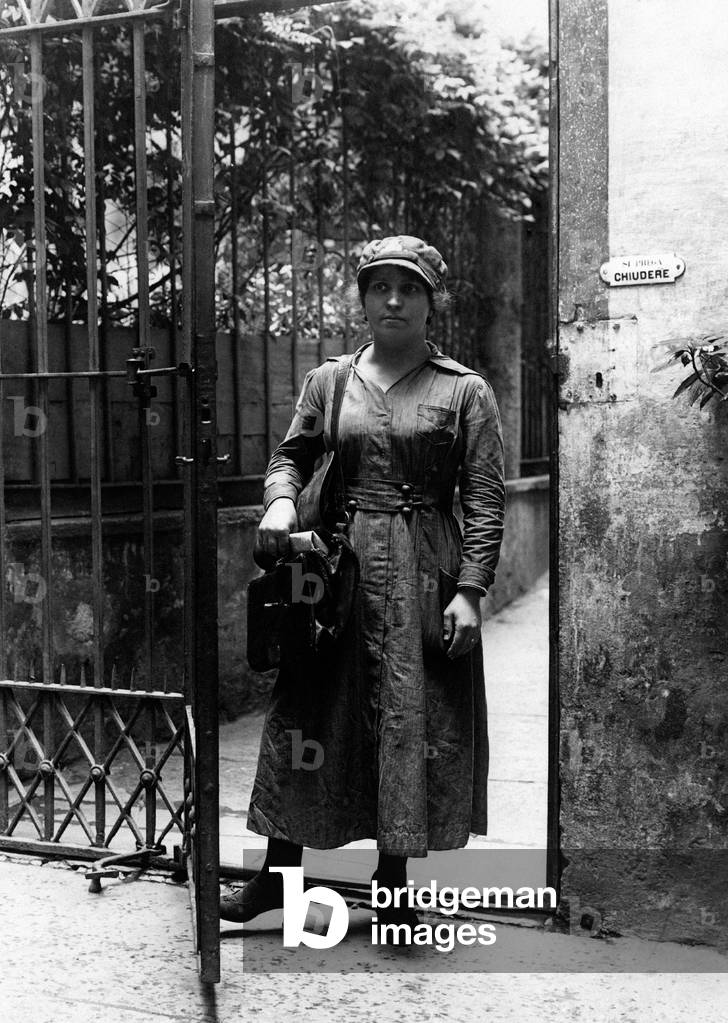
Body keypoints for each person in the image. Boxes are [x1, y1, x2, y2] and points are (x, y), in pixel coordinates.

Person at [220, 235, 506, 931]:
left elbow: (485, 498)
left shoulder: (463, 390)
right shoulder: (331, 381)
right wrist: (281, 501)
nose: (393, 300)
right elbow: (290, 458)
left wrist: (469, 590)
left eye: (408, 288)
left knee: (409, 719)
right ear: (364, 297)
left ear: (430, 302)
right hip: (339, 572)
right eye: (380, 286)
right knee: (308, 713)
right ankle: (277, 877)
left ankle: (392, 884)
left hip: (422, 570)